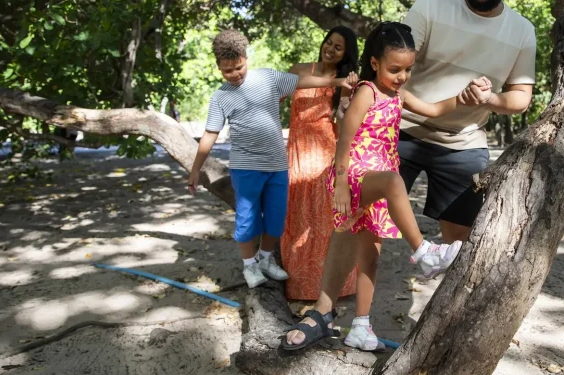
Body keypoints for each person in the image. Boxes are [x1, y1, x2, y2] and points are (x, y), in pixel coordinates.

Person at [282, 22, 492, 351]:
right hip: (354, 174)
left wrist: (464, 97)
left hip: (379, 175)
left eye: (408, 69)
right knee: (396, 183)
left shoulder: (398, 95)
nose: (402, 76)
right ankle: (424, 252)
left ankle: (361, 327)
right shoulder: (367, 90)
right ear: (376, 62)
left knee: (371, 255)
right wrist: (338, 182)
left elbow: (435, 110)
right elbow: (345, 138)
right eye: (395, 69)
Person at [398, 0, 536, 243]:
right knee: (368, 221)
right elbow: (397, 66)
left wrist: (489, 99)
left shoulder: (522, 31)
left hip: (463, 142)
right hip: (402, 129)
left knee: (461, 237)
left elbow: (521, 98)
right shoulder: (429, 6)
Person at [187, 29, 355, 289]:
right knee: (247, 219)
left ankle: (266, 259)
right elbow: (210, 133)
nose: (235, 74)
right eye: (227, 71)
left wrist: (338, 82)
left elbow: (303, 83)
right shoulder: (221, 96)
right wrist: (196, 168)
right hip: (246, 167)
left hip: (277, 164)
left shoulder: (268, 77)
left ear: (246, 58)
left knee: (276, 218)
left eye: (239, 67)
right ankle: (249, 265)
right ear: (219, 68)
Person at [280, 26, 360, 301]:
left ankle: (331, 287)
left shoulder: (346, 81)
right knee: (296, 215)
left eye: (339, 47)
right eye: (329, 42)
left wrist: (347, 95)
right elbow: (285, 87)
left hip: (324, 152)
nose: (331, 48)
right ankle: (298, 285)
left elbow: (341, 119)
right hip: (297, 151)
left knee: (323, 219)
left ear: (345, 55)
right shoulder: (301, 68)